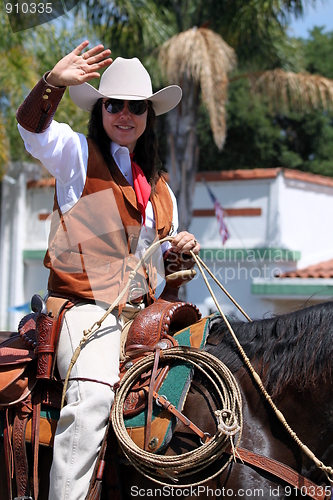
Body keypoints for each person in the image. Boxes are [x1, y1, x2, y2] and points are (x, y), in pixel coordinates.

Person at [16, 40, 200, 500]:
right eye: (113, 104)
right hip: (81, 309)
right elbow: (33, 133)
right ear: (100, 110)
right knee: (95, 394)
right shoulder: (76, 156)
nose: (124, 114)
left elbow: (170, 276)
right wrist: (52, 84)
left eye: (135, 107)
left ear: (147, 116)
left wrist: (182, 254)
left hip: (142, 314)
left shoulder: (162, 191)